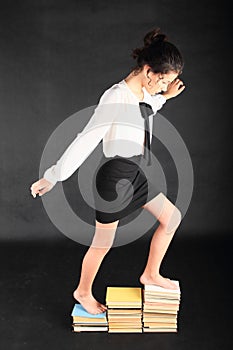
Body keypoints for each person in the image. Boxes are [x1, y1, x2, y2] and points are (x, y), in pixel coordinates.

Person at [30, 27, 185, 315]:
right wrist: (53, 176)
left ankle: (150, 274)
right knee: (103, 243)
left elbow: (145, 110)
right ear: (149, 71)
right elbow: (86, 138)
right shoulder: (115, 97)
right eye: (163, 81)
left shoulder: (140, 94)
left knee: (171, 218)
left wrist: (165, 97)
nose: (164, 87)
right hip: (115, 179)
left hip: (134, 174)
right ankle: (83, 291)